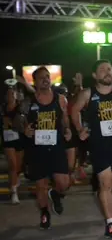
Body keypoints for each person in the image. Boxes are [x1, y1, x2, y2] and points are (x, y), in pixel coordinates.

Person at [71, 60, 112, 237]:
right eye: (103, 70)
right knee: (105, 184)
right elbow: (74, 110)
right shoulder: (88, 93)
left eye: (110, 69)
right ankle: (111, 223)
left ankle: (102, 194)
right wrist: (79, 129)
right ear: (95, 75)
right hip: (98, 145)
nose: (108, 72)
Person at [24, 66, 71, 229]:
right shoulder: (29, 102)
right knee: (41, 184)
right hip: (37, 149)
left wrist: (67, 130)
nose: (45, 80)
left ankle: (55, 193)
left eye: (47, 76)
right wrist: (25, 129)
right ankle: (44, 212)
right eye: (41, 77)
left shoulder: (60, 99)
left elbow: (65, 119)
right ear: (35, 82)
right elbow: (19, 120)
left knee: (64, 183)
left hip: (56, 146)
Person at [1, 81, 25, 204]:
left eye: (12, 93)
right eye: (8, 94)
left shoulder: (20, 107)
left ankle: (15, 180)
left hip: (19, 139)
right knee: (12, 165)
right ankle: (14, 192)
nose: (10, 96)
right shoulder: (2, 108)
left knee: (18, 167)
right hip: (7, 140)